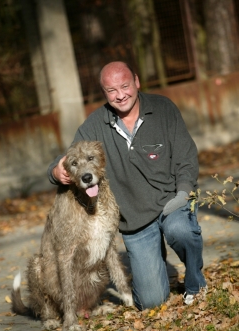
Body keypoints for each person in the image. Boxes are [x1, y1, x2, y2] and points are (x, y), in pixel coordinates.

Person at [47, 61, 207, 309]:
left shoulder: (163, 109)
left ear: (136, 81)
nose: (120, 95)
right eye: (112, 90)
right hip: (134, 220)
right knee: (151, 302)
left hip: (171, 203)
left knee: (181, 230)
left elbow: (186, 157)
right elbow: (72, 156)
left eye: (125, 86)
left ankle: (196, 284)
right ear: (104, 93)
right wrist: (56, 170)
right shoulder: (95, 124)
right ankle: (155, 265)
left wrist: (183, 194)